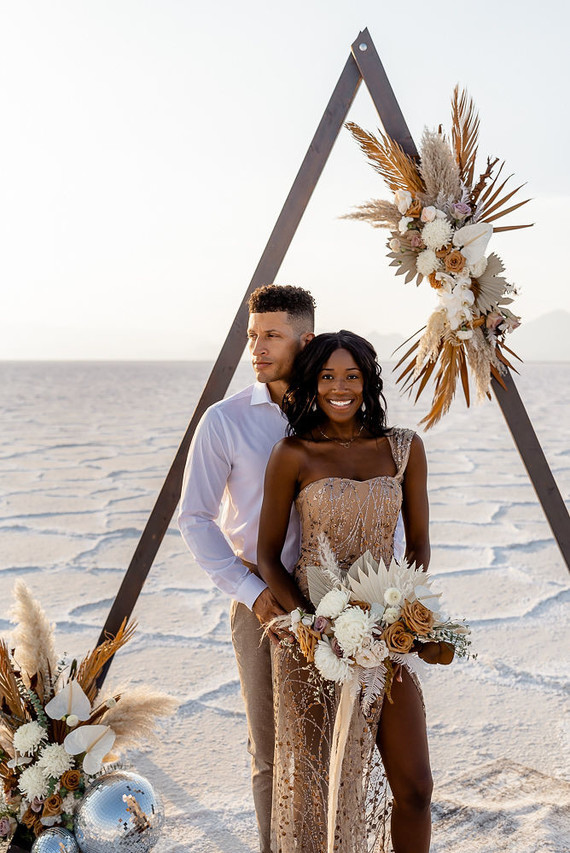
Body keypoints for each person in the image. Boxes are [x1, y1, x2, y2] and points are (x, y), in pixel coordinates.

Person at [257, 330, 433, 853]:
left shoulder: (402, 449)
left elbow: (419, 544)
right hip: (313, 642)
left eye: (351, 376)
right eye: (328, 376)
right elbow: (269, 555)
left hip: (387, 635)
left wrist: (396, 611)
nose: (340, 387)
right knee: (318, 791)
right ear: (313, 382)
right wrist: (316, 622)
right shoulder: (293, 453)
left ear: (367, 381)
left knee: (417, 787)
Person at [178, 284, 316, 853]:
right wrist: (251, 592)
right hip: (260, 603)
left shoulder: (338, 406)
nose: (256, 348)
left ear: (304, 341)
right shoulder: (225, 420)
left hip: (340, 604)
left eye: (271, 336)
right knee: (270, 751)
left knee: (330, 741)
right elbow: (195, 519)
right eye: (252, 336)